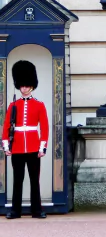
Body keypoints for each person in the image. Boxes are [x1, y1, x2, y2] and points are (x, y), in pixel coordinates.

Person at [2, 60, 49, 219]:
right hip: (17, 147)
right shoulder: (13, 105)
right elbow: (6, 126)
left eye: (27, 85)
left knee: (34, 180)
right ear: (19, 86)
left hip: (34, 147)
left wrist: (42, 147)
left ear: (32, 86)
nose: (24, 88)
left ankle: (37, 210)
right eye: (22, 85)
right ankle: (16, 211)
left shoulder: (39, 105)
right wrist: (6, 145)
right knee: (18, 180)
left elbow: (44, 127)